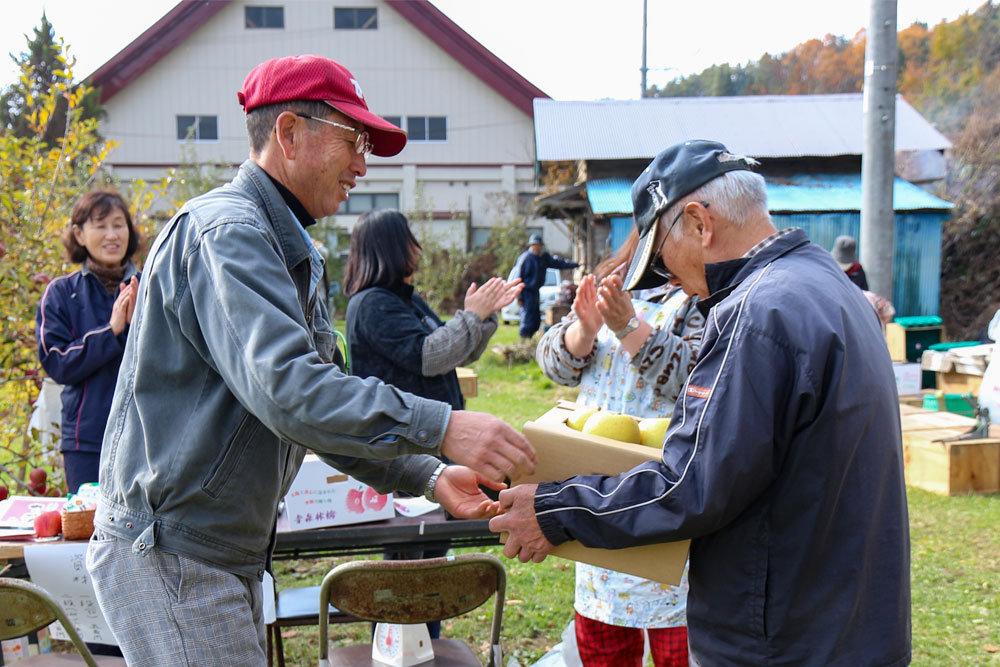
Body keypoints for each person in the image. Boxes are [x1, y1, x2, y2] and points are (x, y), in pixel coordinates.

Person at [86, 55, 536, 666]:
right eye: (353, 139)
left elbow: (309, 408)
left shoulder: (286, 245)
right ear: (289, 133)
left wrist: (425, 473)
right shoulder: (229, 233)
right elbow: (290, 391)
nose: (362, 163)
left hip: (212, 550)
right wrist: (444, 427)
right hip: (174, 552)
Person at [490, 140, 910, 665]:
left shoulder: (756, 314)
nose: (669, 280)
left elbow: (693, 483)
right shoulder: (827, 285)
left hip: (779, 637)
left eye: (661, 256)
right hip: (845, 620)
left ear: (698, 223)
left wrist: (555, 509)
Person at [343, 208, 522, 638]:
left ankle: (426, 643)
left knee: (429, 557)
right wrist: (470, 316)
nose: (416, 249)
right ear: (390, 247)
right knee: (407, 561)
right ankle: (396, 645)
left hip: (431, 450)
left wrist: (484, 315)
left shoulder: (404, 298)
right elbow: (429, 356)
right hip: (401, 452)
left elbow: (456, 351)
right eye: (408, 239)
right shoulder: (371, 305)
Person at [536, 228, 702, 667]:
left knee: (680, 641)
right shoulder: (613, 279)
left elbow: (698, 375)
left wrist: (630, 328)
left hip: (664, 484)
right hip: (597, 482)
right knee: (604, 634)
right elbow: (553, 361)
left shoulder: (703, 296)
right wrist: (584, 330)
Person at [35, 189, 140, 494]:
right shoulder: (61, 293)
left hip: (148, 437)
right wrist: (111, 332)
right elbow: (57, 362)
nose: (112, 235)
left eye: (119, 225)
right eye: (101, 225)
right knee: (88, 529)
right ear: (79, 234)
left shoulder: (150, 286)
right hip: (87, 441)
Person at [517, 233, 578, 339]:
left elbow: (558, 263)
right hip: (527, 292)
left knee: (536, 318)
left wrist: (575, 264)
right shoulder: (526, 259)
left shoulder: (543, 258)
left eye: (539, 245)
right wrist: (519, 297)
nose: (538, 248)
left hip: (536, 291)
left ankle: (530, 337)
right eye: (536, 245)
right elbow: (518, 278)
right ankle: (524, 338)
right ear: (531, 246)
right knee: (527, 316)